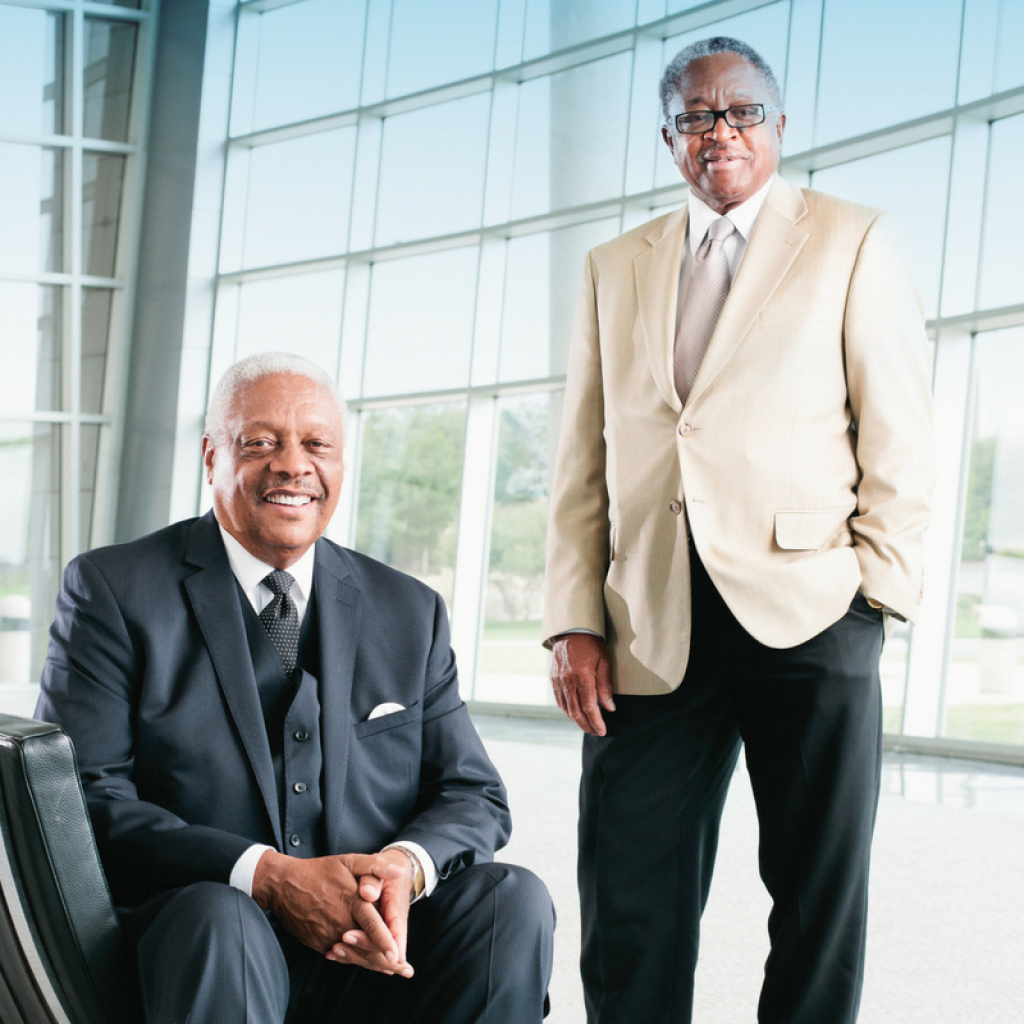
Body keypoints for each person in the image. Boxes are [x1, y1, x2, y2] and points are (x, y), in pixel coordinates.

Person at [543, 36, 934, 1024]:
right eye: (696, 117)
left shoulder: (848, 238)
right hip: (648, 623)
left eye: (740, 113)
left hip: (812, 613)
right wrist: (570, 618)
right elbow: (581, 456)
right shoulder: (612, 266)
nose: (720, 133)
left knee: (815, 894)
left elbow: (898, 428)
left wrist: (871, 599)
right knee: (627, 889)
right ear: (668, 137)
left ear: (777, 125)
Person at [38, 352, 554, 1024]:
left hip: (378, 951)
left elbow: (473, 793)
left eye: (317, 444)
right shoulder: (113, 590)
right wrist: (270, 878)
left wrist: (402, 868)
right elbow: (83, 800)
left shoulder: (409, 609)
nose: (292, 465)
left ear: (341, 464)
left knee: (509, 899)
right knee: (222, 917)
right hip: (207, 944)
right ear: (211, 457)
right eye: (260, 442)